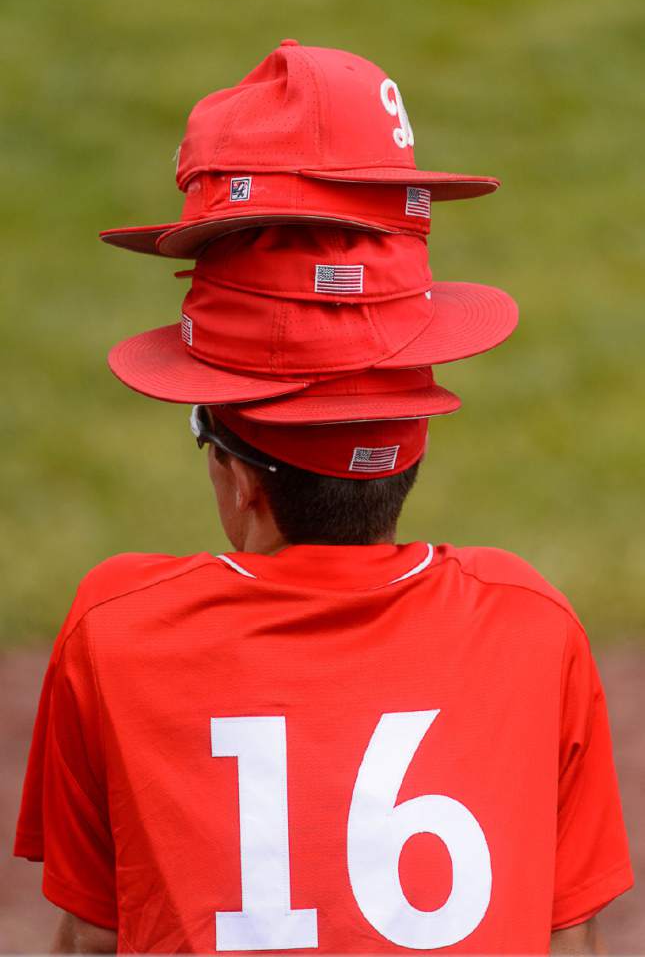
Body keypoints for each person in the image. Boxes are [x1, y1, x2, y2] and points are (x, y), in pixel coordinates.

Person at [15, 406, 632, 954]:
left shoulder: (118, 625)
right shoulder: (528, 619)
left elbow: (95, 938)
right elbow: (570, 938)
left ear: (243, 482)